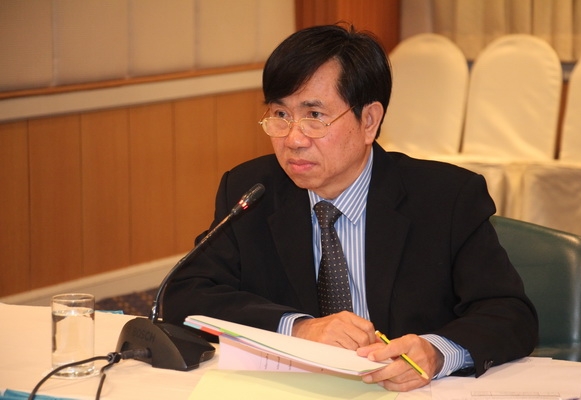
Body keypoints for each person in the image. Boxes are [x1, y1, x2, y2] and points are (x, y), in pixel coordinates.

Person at [163, 23, 538, 391]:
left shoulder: (445, 197)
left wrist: (437, 353)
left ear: (369, 121)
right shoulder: (251, 190)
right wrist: (298, 327)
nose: (293, 139)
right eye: (280, 115)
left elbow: (509, 313)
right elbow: (185, 293)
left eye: (314, 116)